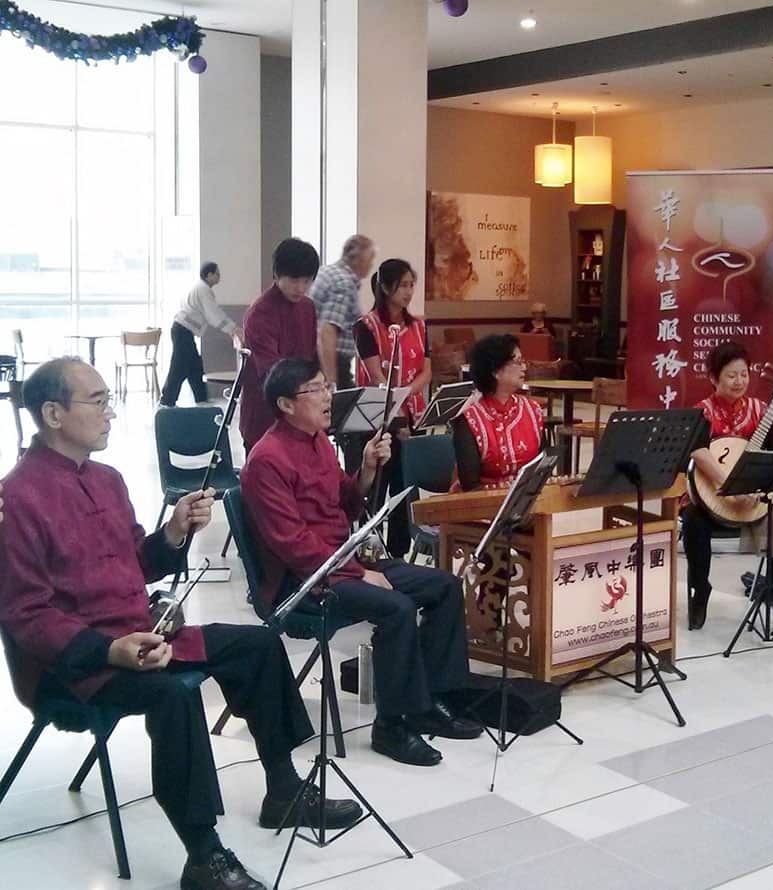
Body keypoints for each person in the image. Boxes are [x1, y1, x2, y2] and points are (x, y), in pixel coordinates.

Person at [0, 358, 360, 890]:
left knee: (258, 644)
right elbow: (26, 616)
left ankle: (283, 789)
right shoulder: (18, 497)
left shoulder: (107, 479)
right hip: (74, 662)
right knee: (173, 695)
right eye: (97, 401)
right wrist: (109, 651)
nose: (109, 413)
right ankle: (203, 853)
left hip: (143, 636)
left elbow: (134, 565)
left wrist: (172, 533)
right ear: (53, 414)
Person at [240, 359, 480, 768]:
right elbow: (293, 545)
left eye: (325, 385)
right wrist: (359, 573)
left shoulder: (317, 440)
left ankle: (432, 701)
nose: (327, 396)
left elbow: (347, 503)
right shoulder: (266, 460)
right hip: (305, 582)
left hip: (342, 560)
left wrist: (367, 467)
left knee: (443, 586)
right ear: (284, 404)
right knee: (397, 607)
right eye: (314, 390)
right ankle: (392, 725)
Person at [681, 341, 773, 631]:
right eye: (731, 375)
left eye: (743, 374)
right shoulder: (702, 412)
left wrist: (759, 485)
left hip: (750, 501)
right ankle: (699, 591)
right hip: (711, 500)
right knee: (693, 520)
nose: (739, 381)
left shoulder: (760, 410)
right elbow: (693, 453)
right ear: (713, 378)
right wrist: (729, 484)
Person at [352, 259, 432, 556]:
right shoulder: (366, 326)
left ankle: (399, 552)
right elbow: (376, 376)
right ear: (385, 287)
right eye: (403, 286)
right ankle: (367, 547)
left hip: (412, 414)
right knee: (375, 488)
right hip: (377, 419)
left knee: (404, 487)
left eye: (412, 285)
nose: (409, 292)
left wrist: (408, 395)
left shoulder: (419, 325)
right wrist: (396, 416)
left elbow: (427, 371)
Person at [240, 238, 320, 454]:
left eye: (307, 281)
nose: (301, 288)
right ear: (276, 274)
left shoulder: (307, 307)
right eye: (294, 280)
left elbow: (311, 358)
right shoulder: (260, 313)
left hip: (301, 416)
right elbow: (273, 375)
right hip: (266, 420)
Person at [452, 334, 544, 490]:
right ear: (495, 371)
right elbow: (470, 485)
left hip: (527, 500)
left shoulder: (532, 410)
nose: (524, 367)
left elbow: (542, 467)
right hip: (482, 506)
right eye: (517, 362)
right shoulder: (469, 420)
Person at [161, 262, 243, 407]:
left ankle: (201, 398)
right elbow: (214, 314)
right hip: (183, 330)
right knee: (179, 367)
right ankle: (167, 400)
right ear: (209, 275)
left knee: (194, 366)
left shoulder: (199, 287)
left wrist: (232, 329)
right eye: (217, 274)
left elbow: (212, 314)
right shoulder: (203, 290)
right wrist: (233, 329)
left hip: (183, 330)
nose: (219, 277)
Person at [310, 234, 376, 390]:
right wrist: (331, 383)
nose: (371, 265)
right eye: (370, 259)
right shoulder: (344, 284)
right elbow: (327, 330)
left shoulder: (326, 272)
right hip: (331, 361)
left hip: (313, 358)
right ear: (360, 260)